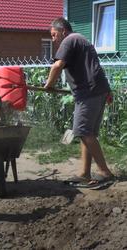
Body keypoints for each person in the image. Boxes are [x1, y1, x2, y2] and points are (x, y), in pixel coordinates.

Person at [44, 17, 114, 188]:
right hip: (97, 90)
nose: (53, 39)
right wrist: (107, 91)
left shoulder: (69, 40)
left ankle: (105, 172)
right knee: (87, 132)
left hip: (89, 92)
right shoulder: (81, 40)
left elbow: (57, 65)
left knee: (82, 131)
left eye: (54, 35)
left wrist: (48, 85)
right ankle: (84, 173)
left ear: (63, 31)